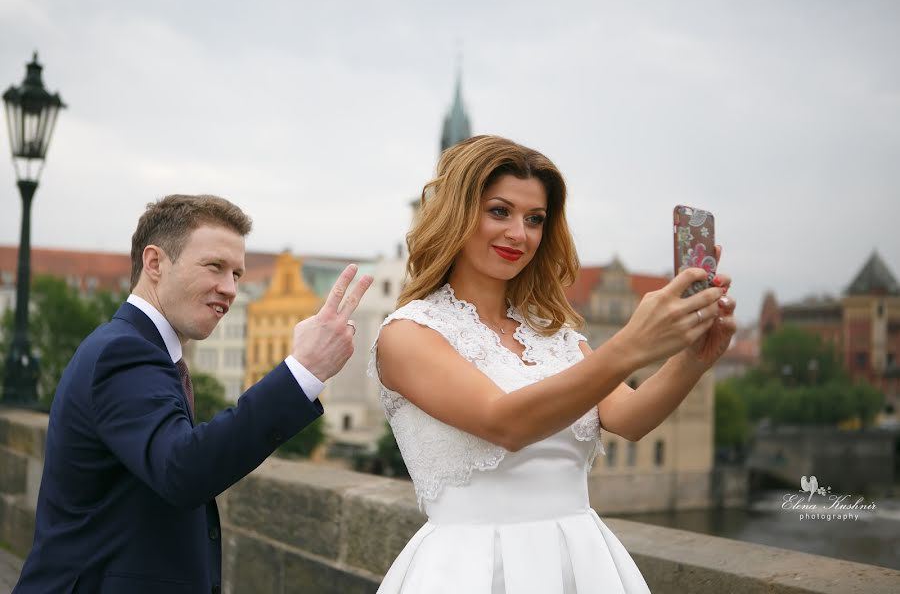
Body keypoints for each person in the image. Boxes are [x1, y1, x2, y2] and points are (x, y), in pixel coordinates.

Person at [371, 136, 736, 593]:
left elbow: (629, 418)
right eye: (499, 211)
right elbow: (505, 422)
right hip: (473, 570)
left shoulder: (553, 333)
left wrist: (693, 359)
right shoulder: (408, 333)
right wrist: (630, 345)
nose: (518, 234)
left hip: (580, 560)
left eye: (535, 219)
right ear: (456, 214)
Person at [14, 194, 372, 594]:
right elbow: (183, 469)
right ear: (154, 263)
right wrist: (302, 372)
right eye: (215, 267)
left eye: (237, 274)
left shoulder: (138, 347)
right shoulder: (124, 351)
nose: (230, 288)